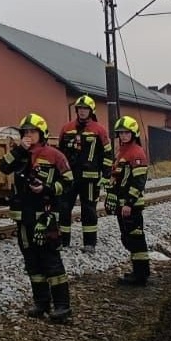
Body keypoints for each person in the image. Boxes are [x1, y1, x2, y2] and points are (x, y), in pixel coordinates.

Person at [0, 113, 74, 322]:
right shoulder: (19, 154)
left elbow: (68, 182)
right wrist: (19, 148)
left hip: (45, 216)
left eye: (33, 131)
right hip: (24, 218)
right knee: (31, 261)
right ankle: (41, 302)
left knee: (51, 260)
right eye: (25, 132)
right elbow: (3, 166)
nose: (29, 135)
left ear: (42, 133)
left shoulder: (54, 155)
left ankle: (62, 306)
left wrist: (47, 188)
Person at [56, 95, 112, 253]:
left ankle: (89, 243)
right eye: (80, 109)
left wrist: (106, 175)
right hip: (69, 177)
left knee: (89, 210)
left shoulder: (99, 130)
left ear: (91, 111)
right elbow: (59, 154)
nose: (82, 112)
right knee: (64, 208)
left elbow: (107, 155)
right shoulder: (66, 129)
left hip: (90, 179)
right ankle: (63, 241)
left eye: (85, 109)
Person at [106, 115, 150, 286]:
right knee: (129, 238)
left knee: (136, 239)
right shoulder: (122, 151)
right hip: (122, 204)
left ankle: (140, 276)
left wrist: (128, 203)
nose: (123, 136)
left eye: (126, 133)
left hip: (131, 206)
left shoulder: (136, 152)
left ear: (134, 133)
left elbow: (138, 182)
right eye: (121, 133)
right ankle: (138, 271)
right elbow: (117, 177)